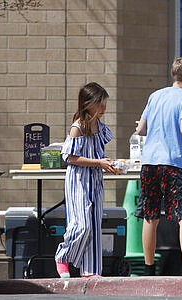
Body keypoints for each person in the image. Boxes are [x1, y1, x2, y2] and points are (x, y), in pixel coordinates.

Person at [134, 56, 182, 276]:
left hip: (149, 162)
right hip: (172, 163)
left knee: (150, 215)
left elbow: (140, 129)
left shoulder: (155, 96)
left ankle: (149, 269)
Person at [55, 82, 118, 278]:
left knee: (94, 226)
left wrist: (108, 165)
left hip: (95, 180)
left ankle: (91, 270)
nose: (103, 108)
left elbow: (100, 155)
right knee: (82, 224)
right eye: (100, 103)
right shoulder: (78, 128)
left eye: (104, 103)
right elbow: (69, 157)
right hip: (79, 181)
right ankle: (63, 256)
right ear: (88, 103)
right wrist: (98, 163)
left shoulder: (99, 126)